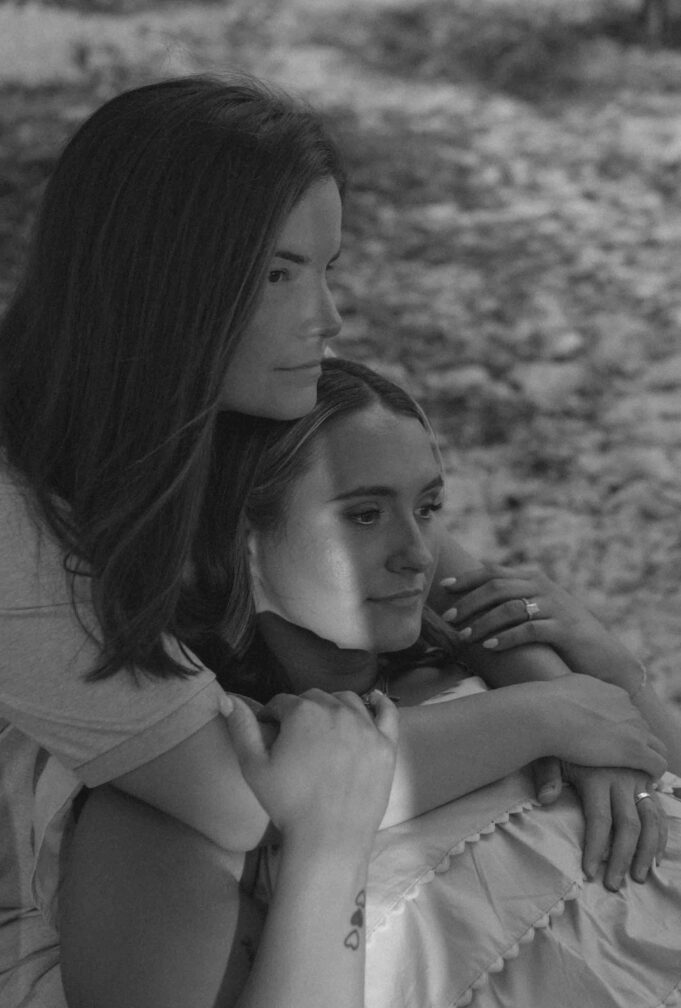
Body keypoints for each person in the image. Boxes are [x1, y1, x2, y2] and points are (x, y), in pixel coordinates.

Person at [0, 72, 668, 1005]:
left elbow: (449, 583)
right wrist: (551, 715)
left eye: (327, 267)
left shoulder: (204, 407)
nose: (329, 319)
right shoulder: (18, 526)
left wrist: (589, 705)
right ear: (160, 282)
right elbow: (239, 795)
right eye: (277, 274)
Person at [60, 359, 681, 1008]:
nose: (417, 551)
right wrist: (562, 708)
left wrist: (615, 679)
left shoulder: (483, 672)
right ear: (242, 540)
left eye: (428, 507)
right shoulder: (176, 799)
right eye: (364, 515)